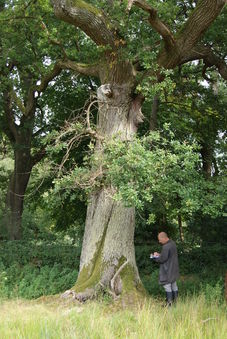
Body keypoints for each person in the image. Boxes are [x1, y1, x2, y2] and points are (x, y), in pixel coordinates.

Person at [151, 232, 179, 306]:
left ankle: (169, 305)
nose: (159, 241)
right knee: (174, 285)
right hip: (174, 268)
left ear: (164, 238)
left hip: (168, 269)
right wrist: (159, 254)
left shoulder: (166, 246)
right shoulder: (172, 243)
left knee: (167, 286)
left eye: (160, 239)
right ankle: (176, 303)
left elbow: (162, 259)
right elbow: (168, 256)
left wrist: (154, 257)